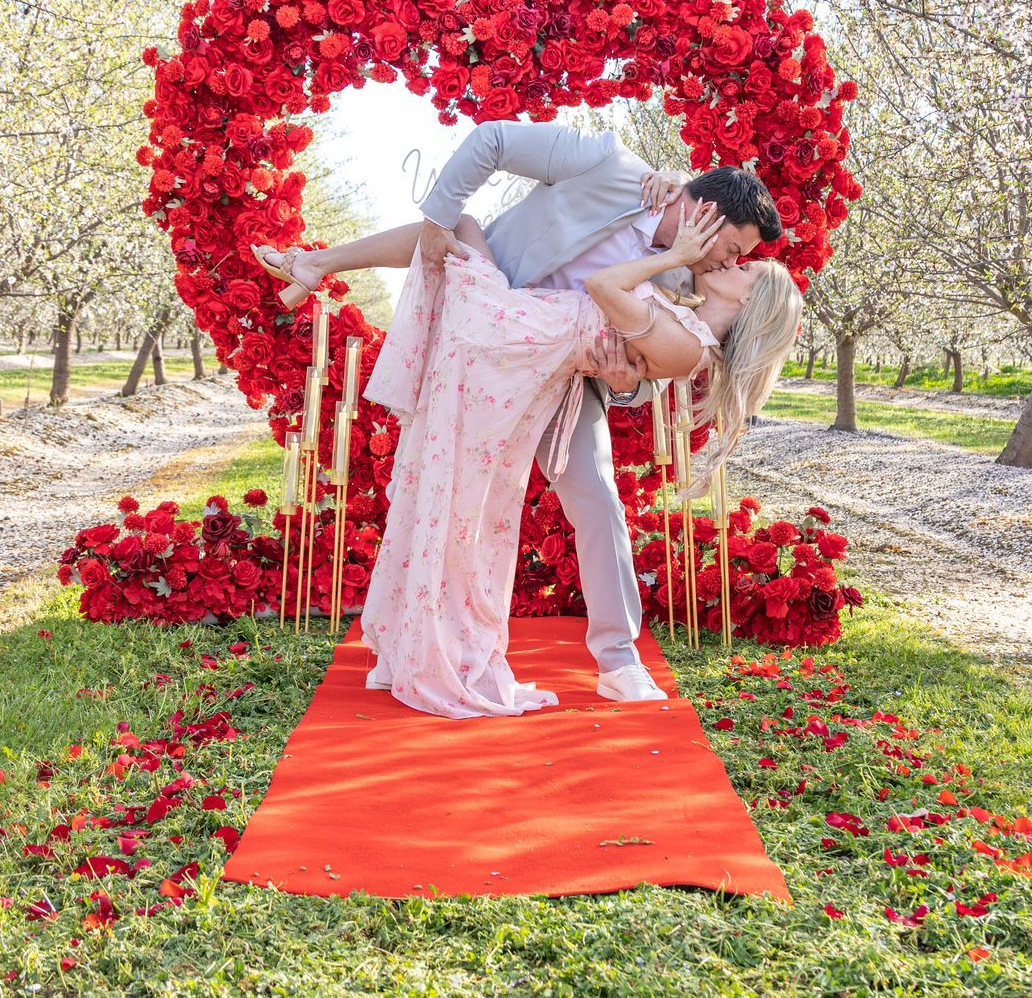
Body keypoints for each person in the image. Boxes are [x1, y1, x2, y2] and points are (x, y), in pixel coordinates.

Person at [252, 122, 799, 714]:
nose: (728, 260)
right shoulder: (609, 165)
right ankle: (415, 643)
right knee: (455, 237)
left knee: (597, 502)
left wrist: (624, 384)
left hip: (565, 378)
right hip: (489, 331)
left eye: (738, 261)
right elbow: (491, 141)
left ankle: (620, 660)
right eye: (734, 249)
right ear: (708, 212)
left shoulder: (681, 276)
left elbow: (651, 366)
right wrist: (438, 216)